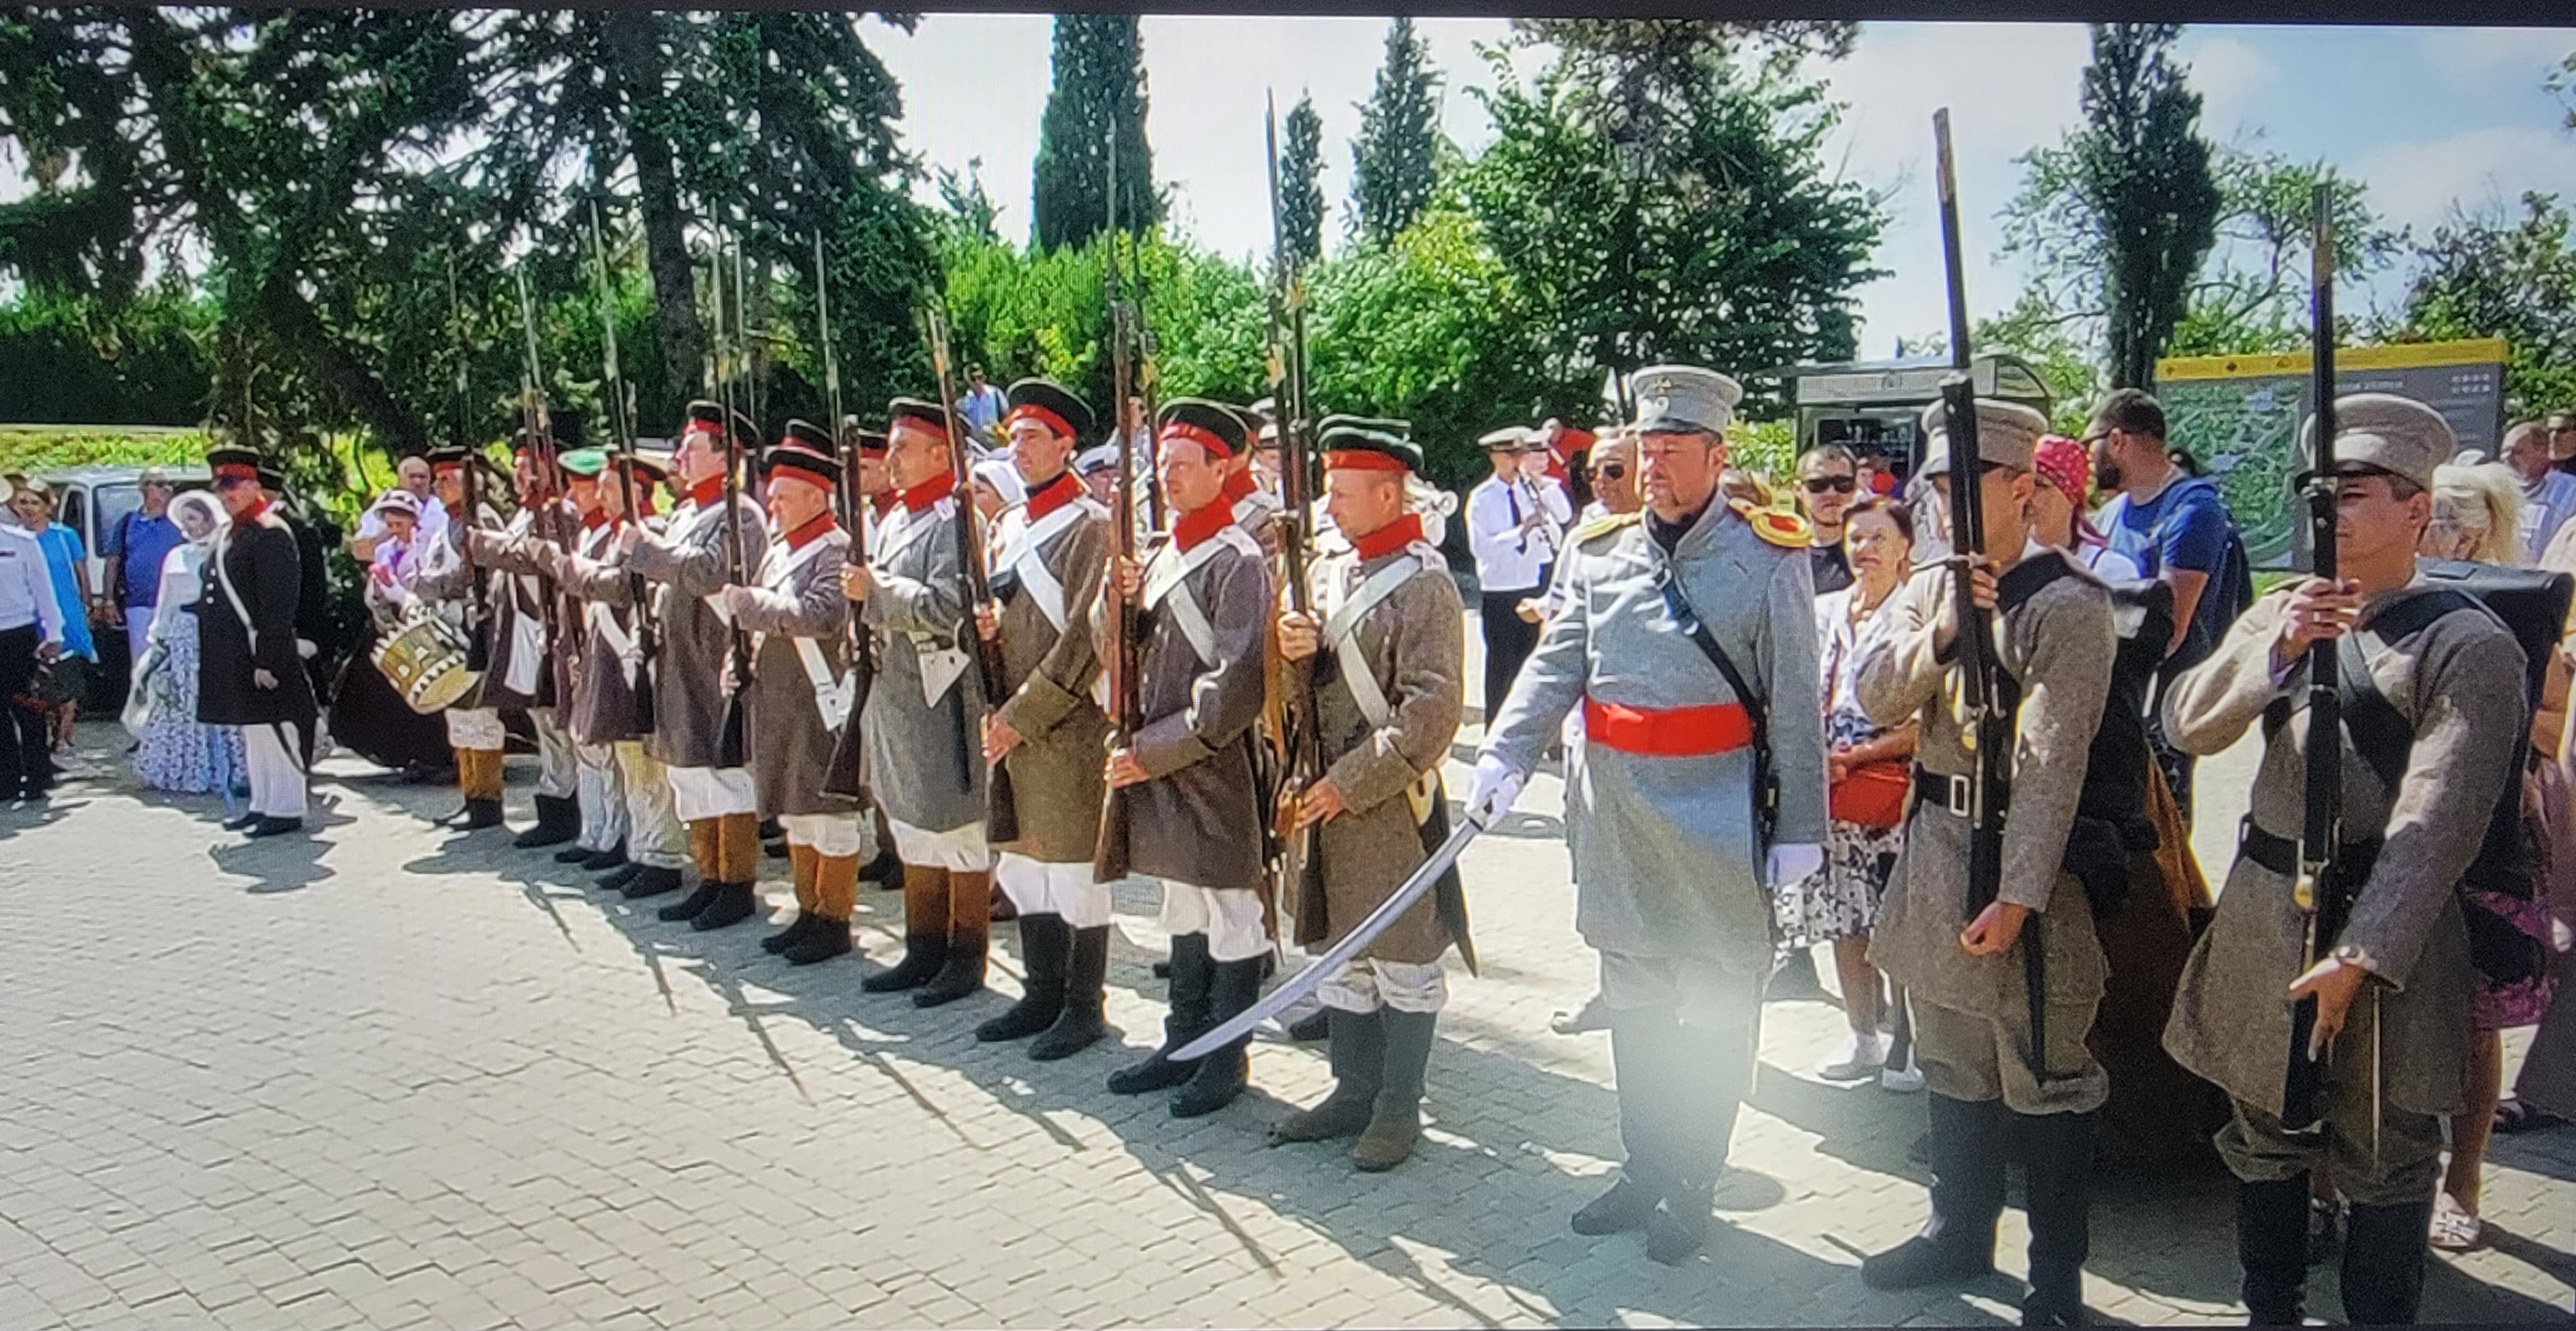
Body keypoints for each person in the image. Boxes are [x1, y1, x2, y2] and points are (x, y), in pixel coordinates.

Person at [2161, 394, 2526, 1327]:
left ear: (2416, 507)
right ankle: (2269, 1309)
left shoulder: (2466, 642)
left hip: (2389, 940)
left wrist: (2359, 956)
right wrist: (2278, 650)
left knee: (2385, 1152)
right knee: (2263, 1133)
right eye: (2316, 494)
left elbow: (2437, 819)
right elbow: (2186, 723)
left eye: (2353, 493)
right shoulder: (2279, 612)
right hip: (2266, 914)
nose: (2328, 512)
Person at [1467, 364, 1827, 1266]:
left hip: (1715, 817)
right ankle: (1644, 1166)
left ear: (1716, 456)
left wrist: (1801, 829)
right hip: (1620, 816)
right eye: (1645, 449)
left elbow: (1794, 708)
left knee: (1710, 1006)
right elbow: (1556, 666)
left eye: (1672, 450)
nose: (1653, 467)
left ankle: (1694, 1179)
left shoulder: (1769, 557)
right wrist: (1506, 754)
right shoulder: (1599, 552)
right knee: (1634, 1000)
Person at [1852, 399, 2116, 1327]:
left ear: (2024, 488)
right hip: (1934, 849)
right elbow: (1873, 690)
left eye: (1968, 485)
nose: (1946, 503)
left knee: (2043, 1071)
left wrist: (2019, 893)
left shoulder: (2069, 602)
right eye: (1936, 486)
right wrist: (1944, 635)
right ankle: (1957, 1230)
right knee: (1951, 1056)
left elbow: (2052, 761)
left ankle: (2056, 1275)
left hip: (2024, 864)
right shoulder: (1931, 588)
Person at [1269, 421, 1469, 1172]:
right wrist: (1291, 651)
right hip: (1321, 794)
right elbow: (1297, 695)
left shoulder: (1425, 584)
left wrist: (1347, 784)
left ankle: (1397, 1105)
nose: (1330, 506)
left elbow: (1431, 712)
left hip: (1386, 804)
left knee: (1403, 959)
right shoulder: (1325, 572)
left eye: (1343, 493)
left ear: (1389, 494)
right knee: (1341, 954)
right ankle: (1351, 1091)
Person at [1097, 399, 1276, 1118]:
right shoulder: (1160, 552)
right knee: (1183, 902)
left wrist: (1148, 751)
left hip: (1211, 766)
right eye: (1163, 463)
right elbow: (1116, 647)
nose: (1167, 476)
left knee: (1232, 909)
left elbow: (1232, 688)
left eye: (1181, 464)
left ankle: (1226, 1055)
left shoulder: (1239, 560)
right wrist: (1116, 598)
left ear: (1220, 469)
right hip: (1161, 761)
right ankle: (1183, 1041)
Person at [971, 380, 1117, 1057]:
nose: (1019, 449)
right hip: (1011, 721)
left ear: (1066, 445)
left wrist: (1021, 716)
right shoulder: (1007, 525)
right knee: (1024, 868)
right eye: (1015, 437)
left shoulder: (1091, 527)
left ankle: (1084, 1005)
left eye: (1033, 437)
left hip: (1066, 728)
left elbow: (1084, 642)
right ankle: (1042, 992)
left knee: (1073, 872)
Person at [846, 397, 997, 1003]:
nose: (892, 459)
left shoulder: (957, 521)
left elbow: (949, 607)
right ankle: (923, 945)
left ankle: (966, 954)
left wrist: (877, 591)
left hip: (945, 699)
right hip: (899, 697)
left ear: (941, 454)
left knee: (958, 834)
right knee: (912, 827)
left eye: (903, 448)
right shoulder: (896, 519)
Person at [1775, 497, 1919, 1085]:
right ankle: (1862, 1036)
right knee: (1843, 915)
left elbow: (1931, 721)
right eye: (1856, 538)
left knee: (1896, 920)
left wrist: (1857, 756)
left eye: (1879, 538)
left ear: (1905, 547)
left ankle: (1907, 1041)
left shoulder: (1918, 615)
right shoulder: (1825, 610)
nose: (1865, 549)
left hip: (1891, 793)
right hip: (1831, 790)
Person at [718, 428, 866, 966]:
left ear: (816, 497)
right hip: (781, 699)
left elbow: (821, 615)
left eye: (783, 497)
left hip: (819, 700)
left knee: (830, 818)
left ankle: (835, 917)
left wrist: (748, 605)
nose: (773, 507)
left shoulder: (836, 550)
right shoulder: (783, 550)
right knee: (796, 814)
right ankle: (809, 909)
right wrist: (735, 660)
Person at [622, 402, 771, 932]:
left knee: (725, 773)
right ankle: (709, 875)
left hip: (713, 654)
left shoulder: (740, 514)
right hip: (679, 656)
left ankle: (736, 883)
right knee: (690, 772)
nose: (680, 457)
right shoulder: (688, 512)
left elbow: (710, 573)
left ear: (725, 457)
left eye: (692, 447)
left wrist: (648, 551)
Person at [2090, 388, 2250, 819]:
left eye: (2092, 444)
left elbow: (2171, 629)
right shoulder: (2112, 513)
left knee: (2162, 825)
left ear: (2117, 441)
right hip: (2115, 695)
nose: (2089, 458)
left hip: (2162, 703)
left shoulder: (2194, 511)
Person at [549, 450, 691, 901]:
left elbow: (624, 588)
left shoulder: (652, 534)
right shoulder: (616, 536)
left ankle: (662, 855)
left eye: (610, 487)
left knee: (649, 770)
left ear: (636, 491)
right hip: (612, 660)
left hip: (638, 664)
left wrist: (573, 571)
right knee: (630, 766)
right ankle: (641, 849)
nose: (602, 495)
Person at [195, 447, 317, 838]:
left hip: (261, 650)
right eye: (221, 487)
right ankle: (263, 803)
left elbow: (277, 604)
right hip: (236, 652)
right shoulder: (232, 532)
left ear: (253, 485)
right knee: (256, 731)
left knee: (278, 730)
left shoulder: (270, 533)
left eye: (233, 485)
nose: (226, 494)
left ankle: (286, 807)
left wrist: (269, 659)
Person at [328, 488, 452, 777]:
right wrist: (379, 600)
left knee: (428, 691)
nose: (395, 530)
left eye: (400, 524)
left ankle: (438, 757)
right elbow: (375, 586)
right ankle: (403, 754)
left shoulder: (428, 547)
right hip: (389, 625)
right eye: (391, 525)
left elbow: (429, 585)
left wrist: (402, 596)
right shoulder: (385, 550)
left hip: (422, 623)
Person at [131, 490, 246, 797]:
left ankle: (230, 768)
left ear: (209, 520)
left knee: (219, 696)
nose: (190, 526)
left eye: (194, 519)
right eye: (186, 520)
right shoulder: (176, 556)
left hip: (216, 632)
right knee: (184, 700)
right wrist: (159, 636)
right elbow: (166, 598)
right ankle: (185, 767)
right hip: (183, 633)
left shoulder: (226, 552)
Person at [1467, 427, 1563, 724]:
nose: (1516, 462)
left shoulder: (1529, 491)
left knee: (1529, 664)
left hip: (1530, 584)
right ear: (1496, 458)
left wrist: (1544, 502)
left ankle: (1523, 727)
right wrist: (1520, 532)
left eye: (1519, 455)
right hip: (1500, 589)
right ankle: (1494, 727)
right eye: (1510, 456)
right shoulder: (1482, 498)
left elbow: (1558, 528)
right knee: (1500, 665)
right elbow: (1482, 548)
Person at [14, 483, 97, 757]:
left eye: (34, 502)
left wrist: (87, 605)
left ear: (47, 505)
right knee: (39, 681)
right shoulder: (16, 539)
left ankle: (64, 735)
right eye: (23, 502)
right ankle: (48, 732)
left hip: (66, 614)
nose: (28, 508)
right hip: (30, 615)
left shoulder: (64, 536)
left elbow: (81, 573)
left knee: (68, 676)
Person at [0, 476, 68, 802]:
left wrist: (54, 633)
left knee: (27, 707)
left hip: (18, 633)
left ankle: (39, 775)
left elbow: (43, 590)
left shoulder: (22, 542)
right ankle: (6, 780)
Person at [102, 468, 184, 669]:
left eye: (161, 484)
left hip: (175, 606)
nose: (154, 490)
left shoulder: (180, 521)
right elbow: (113, 561)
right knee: (142, 665)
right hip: (139, 605)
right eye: (148, 484)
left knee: (175, 663)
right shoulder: (128, 522)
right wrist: (109, 600)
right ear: (141, 489)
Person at [2029, 436, 2142, 580]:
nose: (2027, 496)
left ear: (2071, 498)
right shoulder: (2007, 562)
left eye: (2039, 485)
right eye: (2020, 486)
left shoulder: (2111, 570)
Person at [2499, 421, 2576, 565]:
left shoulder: (2571, 491)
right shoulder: (2500, 492)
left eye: (2517, 452)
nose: (2506, 458)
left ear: (2541, 451)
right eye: (2504, 452)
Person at [348, 454, 448, 560]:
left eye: (422, 477)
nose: (418, 481)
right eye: (412, 477)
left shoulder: (439, 506)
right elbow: (361, 547)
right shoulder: (384, 505)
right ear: (401, 480)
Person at [1794, 445, 1861, 595]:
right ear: (1798, 489)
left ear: (1855, 487)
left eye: (1843, 484)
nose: (1832, 493)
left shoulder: (1868, 552)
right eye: (1818, 484)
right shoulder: (1782, 553)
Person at [956, 363, 1009, 447]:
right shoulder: (963, 402)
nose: (977, 381)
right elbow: (958, 420)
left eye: (979, 377)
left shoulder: (995, 393)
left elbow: (1007, 414)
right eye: (973, 378)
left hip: (995, 438)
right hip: (975, 443)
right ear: (968, 380)